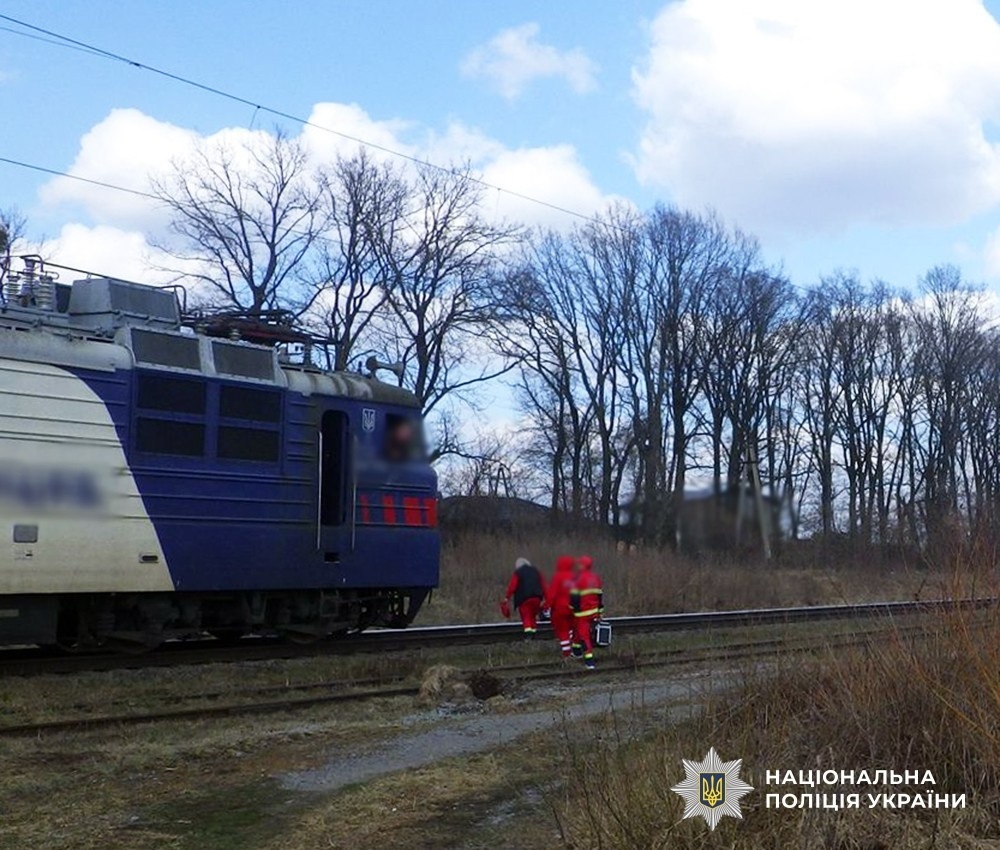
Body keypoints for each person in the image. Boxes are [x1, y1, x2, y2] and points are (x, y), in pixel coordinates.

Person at [570, 555, 604, 670]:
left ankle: (590, 662)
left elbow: (574, 598)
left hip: (582, 613)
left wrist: (572, 609)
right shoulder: (596, 578)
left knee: (584, 637)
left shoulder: (577, 578)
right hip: (593, 612)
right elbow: (599, 597)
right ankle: (576, 652)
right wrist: (600, 611)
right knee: (577, 631)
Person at [503, 557, 547, 635]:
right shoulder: (536, 571)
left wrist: (507, 597)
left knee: (526, 616)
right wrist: (547, 598)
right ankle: (533, 633)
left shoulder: (518, 572)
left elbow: (512, 586)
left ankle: (528, 635)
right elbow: (543, 585)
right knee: (533, 616)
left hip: (524, 600)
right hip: (537, 598)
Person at [544, 555, 577, 658]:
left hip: (560, 609)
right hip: (574, 608)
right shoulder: (575, 577)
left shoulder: (558, 577)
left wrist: (546, 606)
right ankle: (573, 650)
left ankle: (567, 653)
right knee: (571, 629)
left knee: (562, 631)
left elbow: (552, 594)